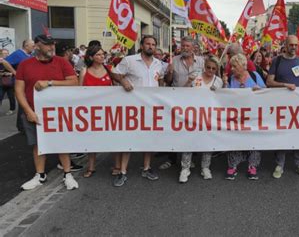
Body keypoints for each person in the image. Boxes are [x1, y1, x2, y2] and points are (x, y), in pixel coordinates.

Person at [15, 34, 79, 190]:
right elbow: (19, 90)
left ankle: (67, 173)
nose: (51, 47)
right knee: (37, 144)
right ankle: (40, 175)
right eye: (47, 44)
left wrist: (49, 83)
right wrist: (28, 111)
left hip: (58, 112)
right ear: (37, 46)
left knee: (61, 143)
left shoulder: (61, 62)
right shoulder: (25, 65)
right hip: (34, 111)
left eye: (53, 44)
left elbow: (74, 82)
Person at [111, 35, 165, 187]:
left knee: (149, 138)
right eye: (147, 43)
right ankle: (122, 171)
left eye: (153, 44)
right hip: (132, 107)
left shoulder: (158, 64)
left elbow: (160, 80)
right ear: (141, 45)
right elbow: (114, 73)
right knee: (129, 138)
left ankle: (146, 168)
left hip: (151, 107)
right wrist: (122, 80)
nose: (150, 46)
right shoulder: (130, 60)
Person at [267, 35, 299, 179]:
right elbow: (269, 82)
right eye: (291, 45)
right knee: (281, 133)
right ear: (285, 45)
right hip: (281, 106)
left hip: (298, 106)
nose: (293, 48)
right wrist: (285, 85)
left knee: (298, 134)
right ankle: (280, 164)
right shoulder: (277, 61)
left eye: (295, 45)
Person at [161, 36, 205, 171]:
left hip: (195, 101)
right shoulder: (174, 60)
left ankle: (189, 158)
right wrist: (169, 72)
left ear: (193, 48)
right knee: (174, 130)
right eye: (183, 46)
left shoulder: (202, 62)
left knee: (191, 130)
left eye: (188, 46)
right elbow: (168, 81)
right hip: (177, 100)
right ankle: (172, 158)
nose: (185, 48)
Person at [179, 56, 223, 183]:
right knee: (189, 141)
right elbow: (181, 93)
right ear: (204, 66)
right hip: (192, 114)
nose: (210, 70)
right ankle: (185, 168)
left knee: (207, 142)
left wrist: (219, 91)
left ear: (216, 69)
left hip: (209, 116)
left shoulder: (218, 81)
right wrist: (188, 82)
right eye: (208, 67)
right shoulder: (195, 75)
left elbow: (222, 99)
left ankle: (205, 167)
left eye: (213, 69)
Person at [224, 54, 266, 180]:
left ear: (243, 66)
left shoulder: (254, 76)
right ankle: (233, 166)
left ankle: (252, 166)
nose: (231, 69)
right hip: (236, 117)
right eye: (231, 66)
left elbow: (265, 92)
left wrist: (259, 90)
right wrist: (225, 84)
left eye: (234, 66)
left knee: (253, 140)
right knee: (235, 139)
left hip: (253, 116)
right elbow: (224, 97)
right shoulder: (231, 79)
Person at [79, 45, 116, 178]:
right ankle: (91, 166)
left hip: (108, 110)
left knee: (112, 138)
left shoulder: (110, 70)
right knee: (91, 139)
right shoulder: (84, 71)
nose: (101, 57)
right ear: (91, 57)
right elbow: (80, 91)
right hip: (91, 111)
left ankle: (117, 165)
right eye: (98, 55)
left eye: (102, 54)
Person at [5, 39, 34, 132]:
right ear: (26, 46)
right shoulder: (18, 53)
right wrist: (14, 72)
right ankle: (22, 127)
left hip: (27, 83)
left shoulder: (29, 55)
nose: (33, 47)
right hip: (20, 83)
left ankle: (22, 125)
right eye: (32, 46)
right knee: (23, 103)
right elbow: (4, 61)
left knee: (25, 103)